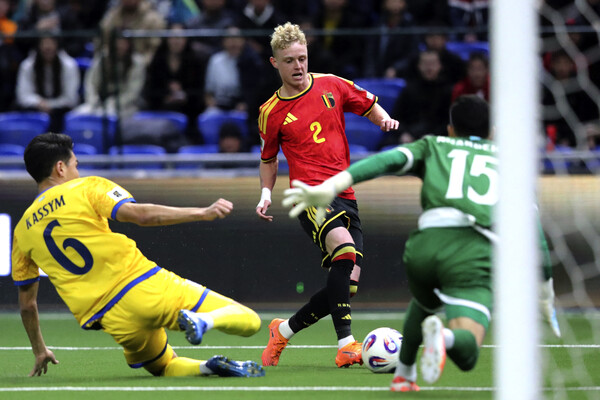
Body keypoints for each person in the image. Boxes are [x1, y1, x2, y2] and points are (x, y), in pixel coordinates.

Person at [282, 95, 561, 391]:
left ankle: (404, 375)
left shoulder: (435, 145)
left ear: (450, 130)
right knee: (467, 350)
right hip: (472, 257)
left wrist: (332, 186)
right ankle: (444, 338)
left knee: (424, 302)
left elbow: (386, 160)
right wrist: (545, 294)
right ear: (492, 132)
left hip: (424, 248)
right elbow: (537, 238)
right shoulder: (511, 165)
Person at [12, 132, 265, 378]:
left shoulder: (22, 231)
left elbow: (27, 304)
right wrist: (202, 213)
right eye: (75, 165)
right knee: (250, 321)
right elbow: (141, 215)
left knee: (163, 366)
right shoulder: (85, 187)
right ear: (60, 168)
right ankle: (203, 321)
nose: (77, 171)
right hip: (143, 285)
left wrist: (39, 350)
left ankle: (207, 367)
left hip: (112, 318)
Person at [256, 22, 399, 368]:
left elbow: (367, 103)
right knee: (345, 251)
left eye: (302, 58)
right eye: (289, 61)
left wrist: (384, 120)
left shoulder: (331, 84)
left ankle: (283, 331)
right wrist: (265, 193)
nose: (298, 66)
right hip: (309, 197)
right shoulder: (270, 112)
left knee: (347, 286)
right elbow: (268, 159)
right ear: (275, 63)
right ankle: (346, 344)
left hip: (344, 193)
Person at [15, 35, 80, 132]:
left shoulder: (69, 65)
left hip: (61, 110)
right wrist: (38, 102)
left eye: (51, 43)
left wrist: (50, 105)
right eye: (44, 44)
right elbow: (23, 96)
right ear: (38, 46)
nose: (47, 47)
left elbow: (71, 98)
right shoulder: (27, 65)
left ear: (57, 45)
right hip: (35, 108)